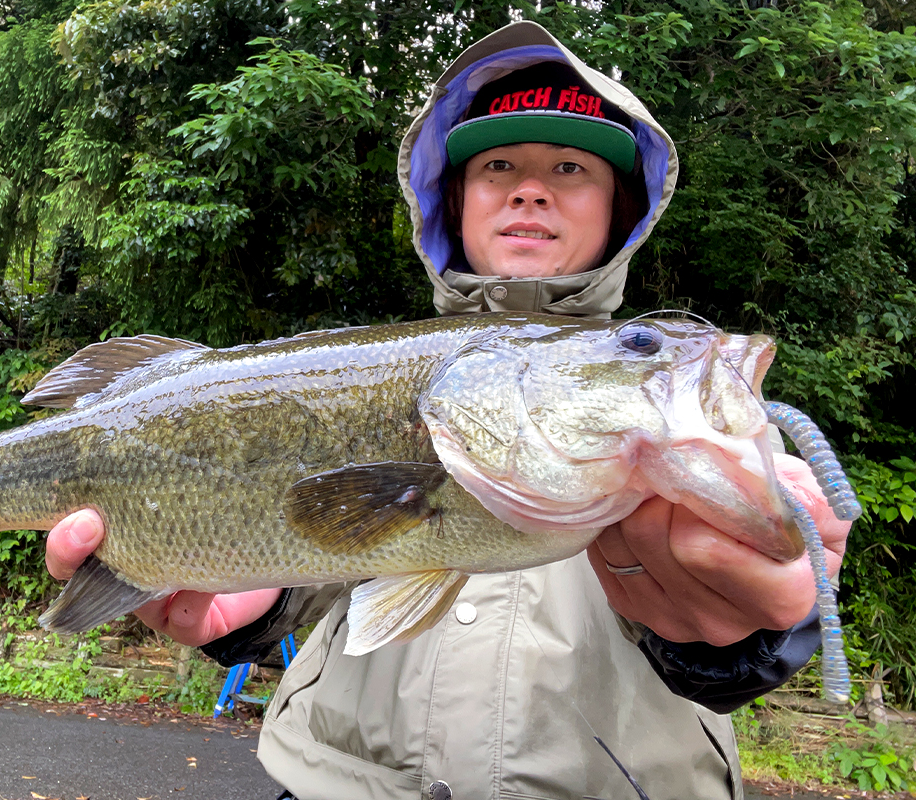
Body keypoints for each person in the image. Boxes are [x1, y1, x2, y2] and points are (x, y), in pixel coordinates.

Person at [44, 21, 850, 800]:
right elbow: (329, 579)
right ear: (454, 196)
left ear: (620, 206)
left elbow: (748, 636)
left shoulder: (683, 408)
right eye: (499, 164)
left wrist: (751, 634)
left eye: (572, 168)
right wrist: (249, 609)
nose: (532, 187)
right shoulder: (374, 371)